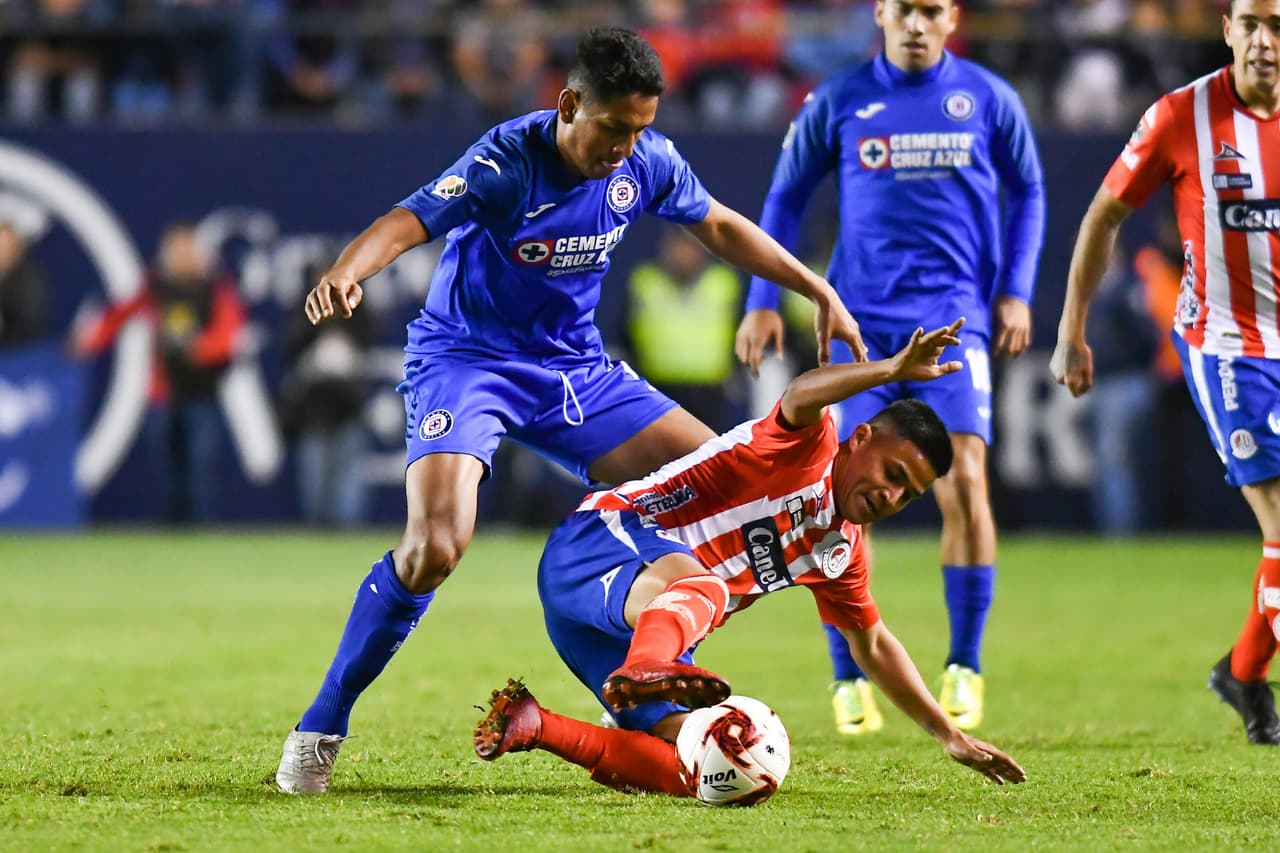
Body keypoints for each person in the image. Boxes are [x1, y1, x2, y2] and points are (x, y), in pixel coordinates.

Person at [274, 26, 865, 794]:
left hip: (573, 368)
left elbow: (717, 224)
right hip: (469, 361)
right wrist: (349, 270)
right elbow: (408, 220)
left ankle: (647, 683)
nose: (625, 146)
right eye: (613, 127)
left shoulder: (643, 161)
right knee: (436, 547)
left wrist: (816, 289)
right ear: (568, 103)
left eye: (640, 129)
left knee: (728, 481)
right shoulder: (506, 160)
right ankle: (322, 723)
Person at [472, 319, 1027, 798]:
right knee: (708, 586)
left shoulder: (839, 555)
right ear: (861, 439)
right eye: (893, 474)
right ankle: (648, 670)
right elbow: (803, 393)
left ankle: (536, 725)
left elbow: (874, 645)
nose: (891, 496)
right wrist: (890, 369)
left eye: (908, 495)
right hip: (599, 543)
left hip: (618, 627)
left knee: (712, 766)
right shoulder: (806, 448)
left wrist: (948, 735)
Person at [733, 0, 1045, 736]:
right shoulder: (839, 97)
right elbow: (785, 195)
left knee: (964, 480)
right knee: (826, 491)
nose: (915, 23)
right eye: (903, 8)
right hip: (858, 324)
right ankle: (847, 675)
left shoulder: (990, 100)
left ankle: (965, 662)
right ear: (881, 12)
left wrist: (1017, 293)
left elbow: (1029, 191)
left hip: (952, 322)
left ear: (951, 17)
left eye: (930, 10)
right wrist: (763, 297)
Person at [1050, 0, 1280, 746]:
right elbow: (1102, 216)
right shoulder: (1182, 115)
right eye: (1250, 22)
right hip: (1228, 350)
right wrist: (1071, 330)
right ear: (1226, 29)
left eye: (1278, 25)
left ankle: (1244, 674)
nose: (1264, 41)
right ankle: (1244, 676)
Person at [72, 221, 244, 523]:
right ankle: (173, 534)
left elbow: (229, 332)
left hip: (202, 391)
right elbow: (120, 313)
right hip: (165, 390)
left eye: (186, 248)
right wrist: (90, 340)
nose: (181, 255)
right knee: (168, 468)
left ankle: (201, 533)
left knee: (198, 466)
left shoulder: (213, 287)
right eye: (175, 248)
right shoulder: (156, 285)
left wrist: (198, 348)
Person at [620, 226, 742, 431]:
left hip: (710, 391)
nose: (685, 254)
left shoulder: (723, 283)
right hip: (658, 389)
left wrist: (736, 373)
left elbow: (740, 330)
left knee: (710, 455)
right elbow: (624, 334)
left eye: (691, 247)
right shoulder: (645, 281)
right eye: (679, 246)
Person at [0, 220, 50, 348]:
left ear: (16, 249)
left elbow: (29, 325)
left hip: (14, 354)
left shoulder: (28, 283)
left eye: (5, 246)